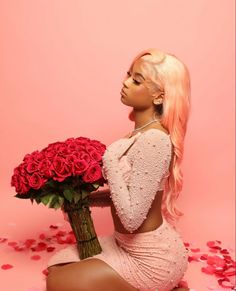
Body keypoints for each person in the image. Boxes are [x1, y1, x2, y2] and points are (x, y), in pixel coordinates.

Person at [46, 48, 191, 291]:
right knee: (57, 266)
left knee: (57, 283)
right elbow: (131, 196)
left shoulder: (154, 140)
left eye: (136, 80)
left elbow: (132, 219)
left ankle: (158, 285)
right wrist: (85, 199)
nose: (125, 83)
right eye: (128, 75)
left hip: (149, 258)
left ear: (158, 97)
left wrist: (111, 159)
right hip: (124, 245)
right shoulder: (139, 134)